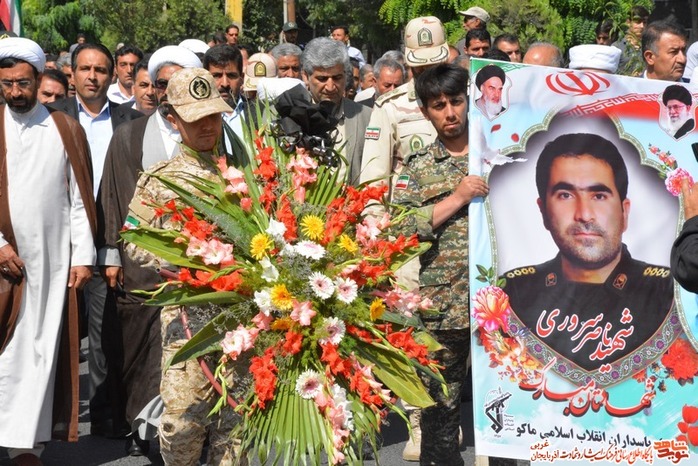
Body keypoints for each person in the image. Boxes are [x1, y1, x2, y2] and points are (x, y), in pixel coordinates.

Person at [125, 67, 247, 466]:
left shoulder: (241, 175)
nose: (207, 126)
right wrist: (180, 260)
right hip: (186, 320)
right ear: (173, 118)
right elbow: (133, 239)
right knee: (181, 425)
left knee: (237, 426)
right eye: (196, 118)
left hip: (242, 318)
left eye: (213, 115)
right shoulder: (160, 180)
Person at [97, 44, 202, 457]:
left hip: (200, 270)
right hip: (142, 269)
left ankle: (186, 434)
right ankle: (146, 432)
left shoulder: (213, 133)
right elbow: (113, 197)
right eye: (160, 84)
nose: (166, 92)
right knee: (140, 355)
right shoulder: (129, 135)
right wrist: (111, 255)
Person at [0, 36, 96, 465]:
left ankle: (25, 445)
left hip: (51, 265)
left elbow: (79, 200)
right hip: (3, 261)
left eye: (22, 83)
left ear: (39, 80)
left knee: (36, 353)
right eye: (6, 84)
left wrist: (83, 257)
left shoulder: (64, 129)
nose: (14, 92)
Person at [501, 133, 673, 371]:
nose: (584, 214)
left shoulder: (667, 292)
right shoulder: (512, 294)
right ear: (543, 211)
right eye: (565, 195)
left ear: (624, 212)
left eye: (599, 196)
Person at [359, 16, 449, 461]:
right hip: (410, 237)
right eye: (419, 67)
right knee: (415, 328)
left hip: (464, 229)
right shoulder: (390, 108)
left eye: (434, 65)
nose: (426, 74)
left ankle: (465, 420)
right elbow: (373, 180)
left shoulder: (467, 99)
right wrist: (378, 239)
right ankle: (419, 421)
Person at [392, 63, 488, 466]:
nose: (450, 113)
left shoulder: (497, 155)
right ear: (424, 111)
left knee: (504, 406)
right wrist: (458, 197)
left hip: (501, 303)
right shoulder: (418, 166)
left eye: (456, 102)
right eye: (439, 105)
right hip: (444, 305)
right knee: (440, 410)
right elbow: (400, 230)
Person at [49, 42, 142, 439]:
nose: (92, 77)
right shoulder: (51, 117)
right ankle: (50, 419)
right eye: (85, 69)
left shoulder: (130, 121)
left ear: (111, 75)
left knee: (106, 333)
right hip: (57, 239)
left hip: (108, 239)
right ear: (72, 74)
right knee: (54, 330)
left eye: (100, 70)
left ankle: (106, 415)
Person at [298, 36, 371, 185]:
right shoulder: (289, 116)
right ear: (305, 76)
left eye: (337, 78)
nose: (330, 87)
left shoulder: (367, 117)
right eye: (322, 79)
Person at [203, 44, 245, 146]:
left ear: (242, 78)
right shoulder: (197, 117)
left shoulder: (260, 113)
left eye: (231, 75)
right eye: (217, 76)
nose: (225, 83)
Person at [612, 6, 649, 77]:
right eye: (638, 22)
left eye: (644, 22)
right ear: (628, 22)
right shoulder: (617, 47)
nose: (642, 26)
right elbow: (611, 74)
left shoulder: (650, 46)